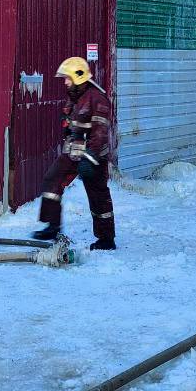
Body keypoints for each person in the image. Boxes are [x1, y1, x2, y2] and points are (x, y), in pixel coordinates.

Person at [33, 57, 116, 250]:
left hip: (93, 157)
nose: (65, 82)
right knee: (51, 181)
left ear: (78, 77)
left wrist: (91, 157)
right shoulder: (75, 95)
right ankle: (52, 226)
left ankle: (106, 239)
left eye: (67, 78)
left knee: (98, 196)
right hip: (72, 151)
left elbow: (100, 132)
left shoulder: (97, 98)